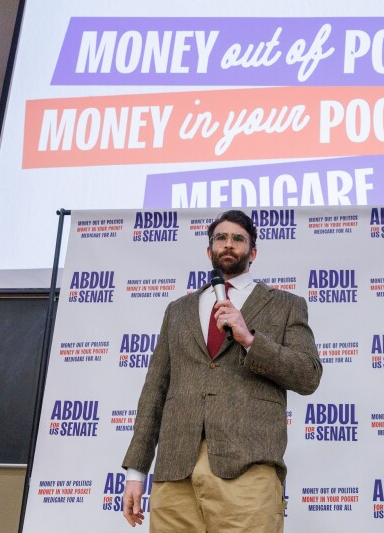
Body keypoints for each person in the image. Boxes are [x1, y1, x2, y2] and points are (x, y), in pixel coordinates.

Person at [121, 209, 322, 532]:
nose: (228, 245)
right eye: (221, 238)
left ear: (252, 252)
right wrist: (135, 473)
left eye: (238, 239)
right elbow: (154, 392)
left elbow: (308, 375)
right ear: (209, 250)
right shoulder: (178, 311)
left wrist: (249, 339)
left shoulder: (285, 305)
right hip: (175, 474)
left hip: (247, 471)